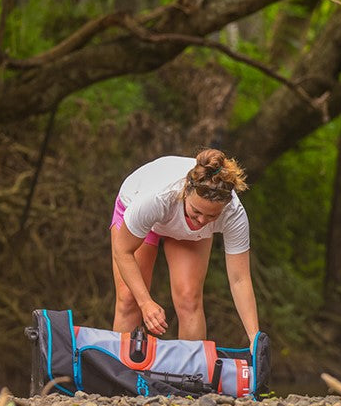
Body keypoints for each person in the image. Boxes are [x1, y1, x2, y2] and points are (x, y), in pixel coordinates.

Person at [110, 148, 260, 347]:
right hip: (139, 209)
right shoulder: (158, 197)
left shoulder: (234, 213)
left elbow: (240, 279)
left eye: (212, 216)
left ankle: (192, 374)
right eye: (197, 211)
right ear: (186, 191)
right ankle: (120, 373)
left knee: (189, 299)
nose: (201, 221)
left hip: (186, 233)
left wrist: (254, 337)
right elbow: (123, 251)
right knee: (130, 299)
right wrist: (146, 302)